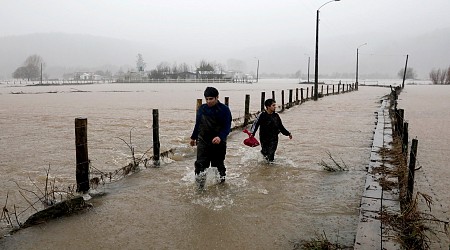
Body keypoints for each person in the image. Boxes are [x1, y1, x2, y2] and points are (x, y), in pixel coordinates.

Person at [190, 87, 232, 188]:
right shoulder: (202, 108)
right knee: (200, 165)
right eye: (207, 99)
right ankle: (199, 188)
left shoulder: (224, 110)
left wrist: (220, 137)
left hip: (218, 142)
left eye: (211, 99)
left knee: (218, 165)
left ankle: (221, 187)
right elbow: (198, 124)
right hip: (203, 140)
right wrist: (193, 137)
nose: (208, 101)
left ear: (217, 97)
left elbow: (227, 127)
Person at [250, 99, 292, 163]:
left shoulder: (276, 116)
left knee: (271, 154)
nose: (275, 107)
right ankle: (265, 165)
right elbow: (255, 124)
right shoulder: (262, 115)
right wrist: (252, 134)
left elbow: (281, 127)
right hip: (264, 138)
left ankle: (270, 168)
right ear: (268, 106)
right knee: (265, 152)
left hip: (274, 138)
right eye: (273, 105)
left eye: (275, 105)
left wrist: (288, 133)